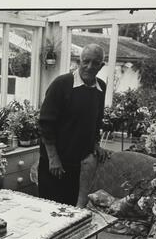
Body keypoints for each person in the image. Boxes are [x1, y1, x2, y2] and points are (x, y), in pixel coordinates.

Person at [38, 43, 109, 206]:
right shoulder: (61, 84)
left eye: (95, 63)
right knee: (49, 210)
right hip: (54, 163)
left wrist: (95, 144)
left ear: (101, 66)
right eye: (86, 61)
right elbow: (45, 124)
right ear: (79, 61)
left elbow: (96, 120)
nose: (90, 66)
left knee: (70, 211)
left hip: (79, 165)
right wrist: (53, 158)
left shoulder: (101, 87)